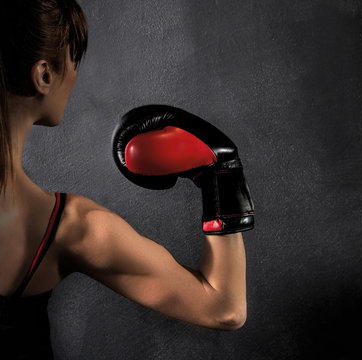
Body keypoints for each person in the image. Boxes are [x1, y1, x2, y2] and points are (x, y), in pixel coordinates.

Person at [0, 1, 253, 359]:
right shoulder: (72, 228)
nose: (75, 74)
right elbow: (224, 308)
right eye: (75, 59)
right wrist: (222, 173)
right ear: (43, 75)